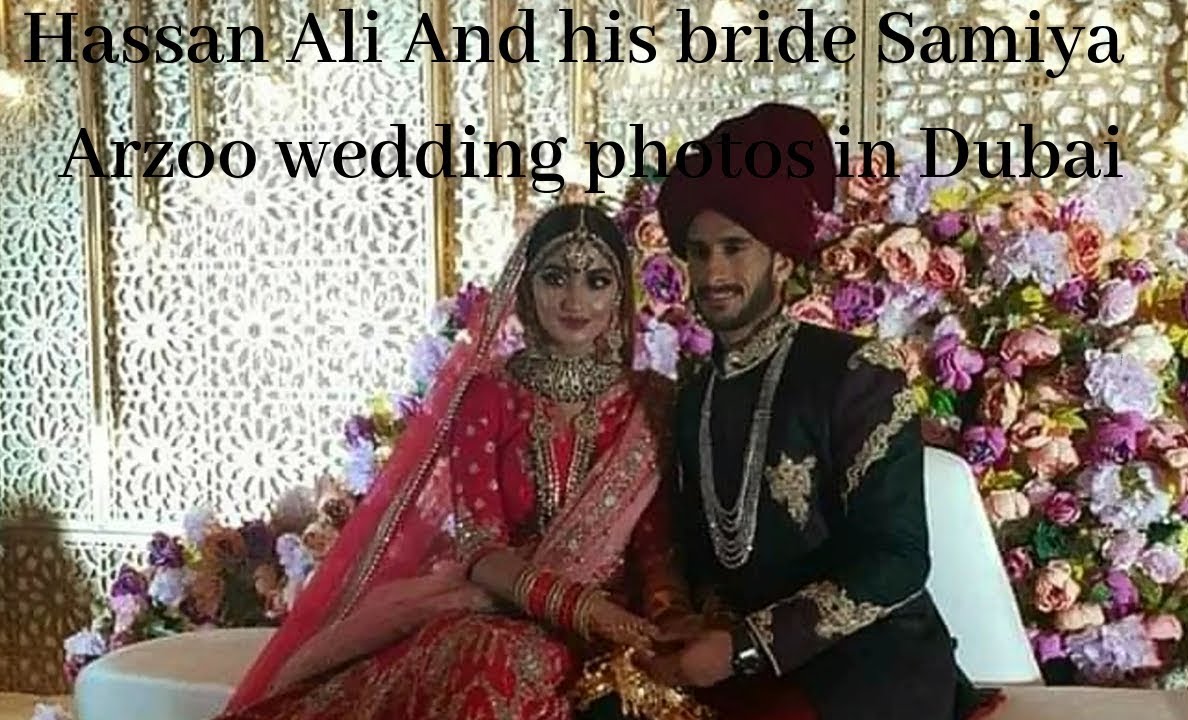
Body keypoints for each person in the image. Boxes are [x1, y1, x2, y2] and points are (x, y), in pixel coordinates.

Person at [215, 202, 695, 720]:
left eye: (596, 281)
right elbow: (481, 548)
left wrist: (669, 615)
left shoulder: (649, 404)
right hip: (501, 610)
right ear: (527, 287)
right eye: (555, 277)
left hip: (616, 619)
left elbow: (656, 548)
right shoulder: (488, 397)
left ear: (620, 293)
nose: (575, 300)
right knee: (487, 655)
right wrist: (578, 606)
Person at [643, 103, 1006, 720]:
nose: (713, 272)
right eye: (698, 252)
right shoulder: (695, 394)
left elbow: (898, 560)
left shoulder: (856, 372)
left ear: (782, 260)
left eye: (734, 248)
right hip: (741, 659)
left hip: (872, 661)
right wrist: (690, 622)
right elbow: (704, 553)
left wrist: (745, 647)